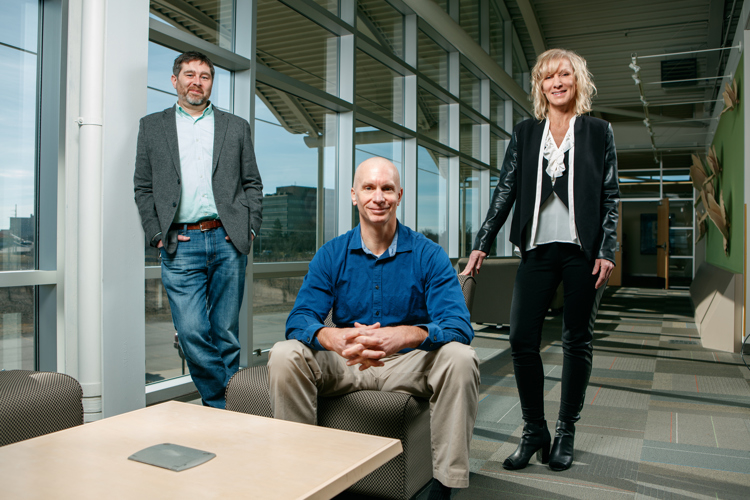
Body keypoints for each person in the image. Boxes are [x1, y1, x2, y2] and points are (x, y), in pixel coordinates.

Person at [268, 157, 479, 499]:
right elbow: (299, 319)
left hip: (408, 364)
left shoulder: (429, 255)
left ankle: (443, 488)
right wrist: (330, 336)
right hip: (347, 361)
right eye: (369, 188)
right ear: (354, 195)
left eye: (386, 189)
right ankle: (300, 477)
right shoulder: (331, 254)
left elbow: (458, 325)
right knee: (284, 353)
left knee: (461, 357)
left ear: (399, 195)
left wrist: (407, 334)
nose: (377, 197)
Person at [461, 48, 619, 472]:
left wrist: (607, 248)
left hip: (582, 253)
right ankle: (535, 430)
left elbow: (610, 196)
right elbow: (505, 190)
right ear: (540, 85)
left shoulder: (598, 131)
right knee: (521, 339)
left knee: (576, 340)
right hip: (535, 250)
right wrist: (482, 241)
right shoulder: (527, 133)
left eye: (564, 74)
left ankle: (566, 429)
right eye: (548, 77)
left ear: (577, 80)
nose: (557, 82)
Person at [134, 51, 263, 408]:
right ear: (174, 81)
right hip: (181, 241)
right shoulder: (152, 126)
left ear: (210, 83)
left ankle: (222, 413)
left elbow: (252, 183)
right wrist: (157, 234)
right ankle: (226, 404)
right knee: (192, 332)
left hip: (227, 238)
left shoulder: (235, 127)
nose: (197, 81)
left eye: (204, 76)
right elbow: (143, 187)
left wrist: (248, 229)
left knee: (225, 334)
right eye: (189, 74)